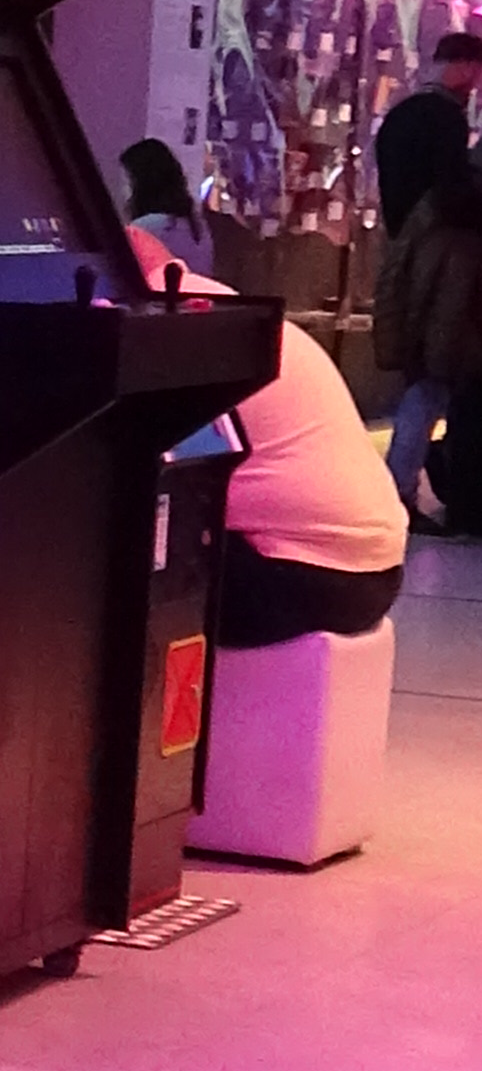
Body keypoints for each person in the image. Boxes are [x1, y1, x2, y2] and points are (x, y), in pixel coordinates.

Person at [131, 227, 410, 636]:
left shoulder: (165, 329)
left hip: (297, 575)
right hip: (374, 570)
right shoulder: (225, 313)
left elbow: (155, 473)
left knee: (99, 576)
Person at [371, 31, 482, 521]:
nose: (476, 85)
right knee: (435, 376)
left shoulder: (400, 116)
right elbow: (454, 196)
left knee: (423, 372)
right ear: (462, 65)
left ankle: (400, 484)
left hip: (406, 252)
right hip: (442, 264)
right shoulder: (444, 120)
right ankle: (399, 487)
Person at [374, 166, 482, 539]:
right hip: (464, 329)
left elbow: (400, 264)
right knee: (443, 408)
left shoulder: (438, 200)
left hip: (426, 321)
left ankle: (396, 493)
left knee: (419, 405)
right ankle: (413, 495)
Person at [121, 136, 210, 271]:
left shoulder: (143, 229)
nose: (122, 189)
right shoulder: (198, 227)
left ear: (140, 183)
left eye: (126, 181)